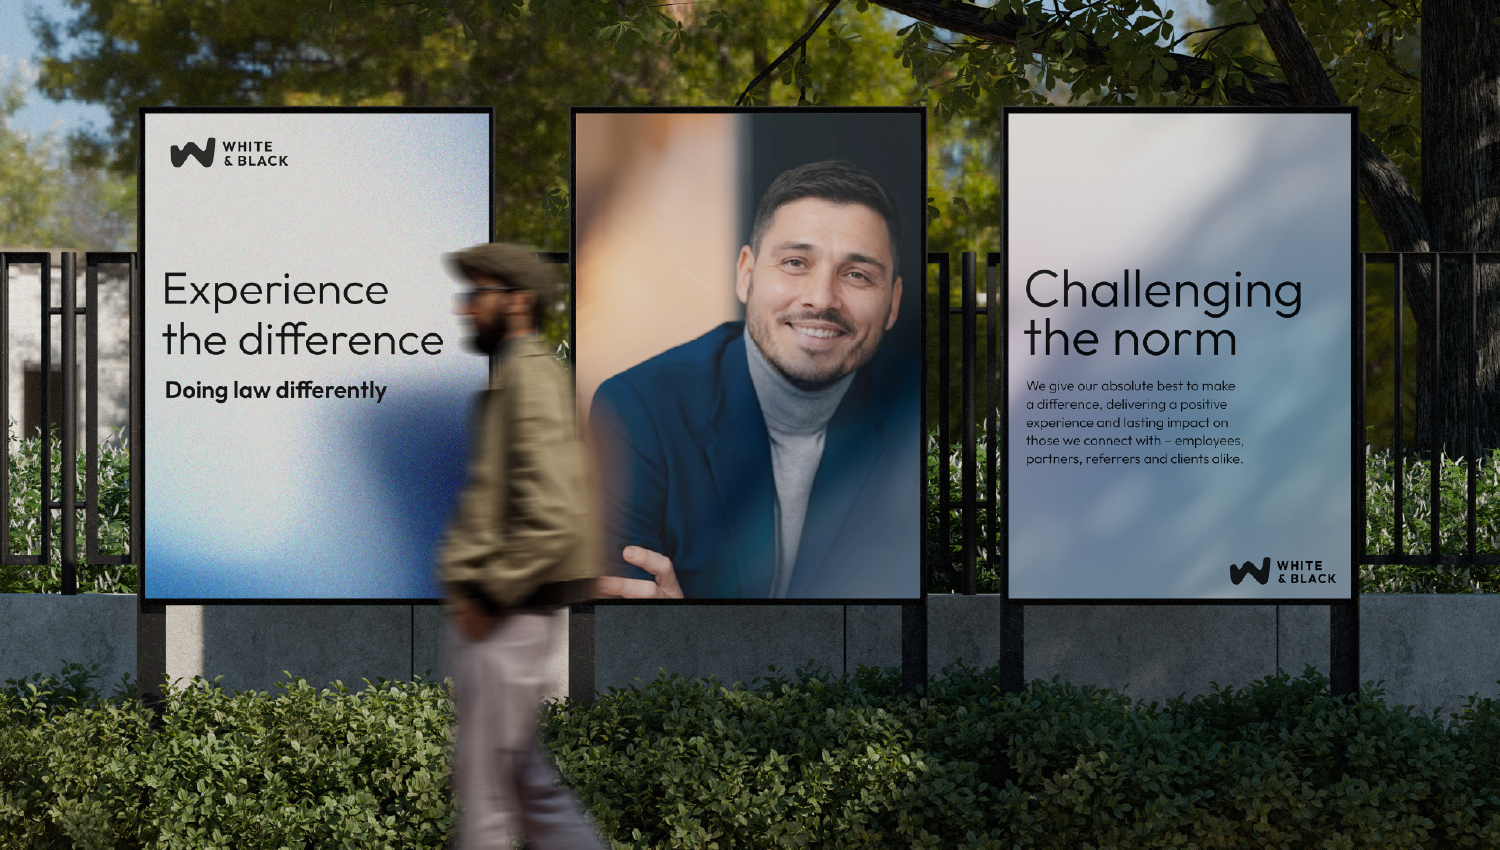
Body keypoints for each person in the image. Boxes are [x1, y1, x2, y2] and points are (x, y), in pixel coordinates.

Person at [589, 160, 919, 600]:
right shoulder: (636, 411)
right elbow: (621, 629)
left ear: (893, 303)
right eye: (796, 262)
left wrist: (692, 626)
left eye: (857, 275)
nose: (821, 298)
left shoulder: (915, 405)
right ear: (746, 274)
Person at [440, 243, 604, 850]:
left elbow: (555, 511)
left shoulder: (529, 377)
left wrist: (489, 593)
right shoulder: (517, 373)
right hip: (505, 611)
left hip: (507, 611)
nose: (464, 310)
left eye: (476, 295)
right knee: (521, 784)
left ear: (518, 302)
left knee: (486, 797)